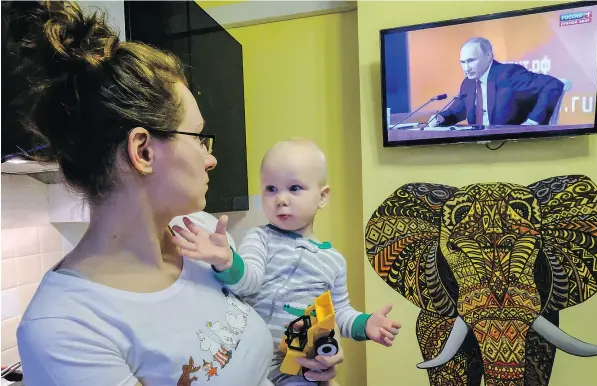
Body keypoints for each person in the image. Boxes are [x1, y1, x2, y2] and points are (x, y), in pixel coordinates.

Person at [9, 2, 342, 385]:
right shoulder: (65, 327)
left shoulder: (197, 233)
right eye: (198, 138)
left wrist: (304, 360)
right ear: (143, 151)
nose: (211, 158)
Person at [171, 138, 402, 385]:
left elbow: (340, 314)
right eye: (271, 189)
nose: (281, 199)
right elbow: (248, 282)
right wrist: (226, 261)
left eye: (294, 188)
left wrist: (366, 325)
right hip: (253, 360)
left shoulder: (333, 261)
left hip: (300, 366)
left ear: (322, 197)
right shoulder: (260, 238)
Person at [427, 37, 564, 127]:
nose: (466, 68)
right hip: (475, 147)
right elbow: (457, 111)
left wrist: (533, 121)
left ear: (488, 56)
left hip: (511, 146)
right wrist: (441, 118)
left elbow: (553, 84)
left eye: (471, 61)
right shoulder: (468, 84)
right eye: (462, 62)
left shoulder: (509, 74)